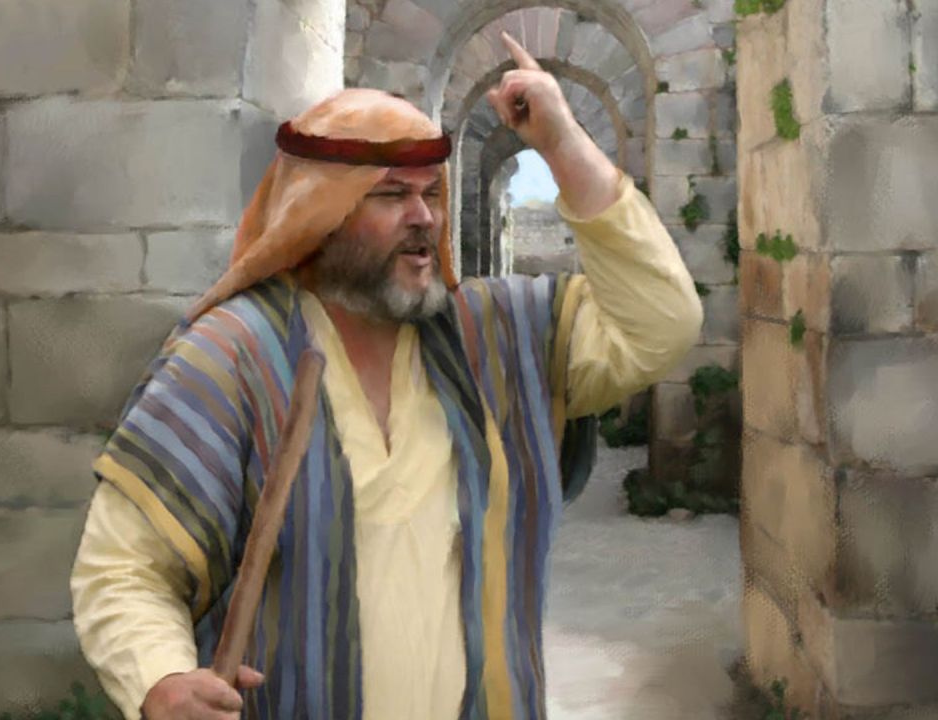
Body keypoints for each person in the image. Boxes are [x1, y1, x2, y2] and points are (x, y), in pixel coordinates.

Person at [70, 32, 702, 720]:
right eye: (392, 195)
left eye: (431, 192)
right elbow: (124, 570)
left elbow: (660, 324)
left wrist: (560, 139)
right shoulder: (232, 357)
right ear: (322, 214)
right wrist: (161, 680)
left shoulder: (492, 335)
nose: (423, 217)